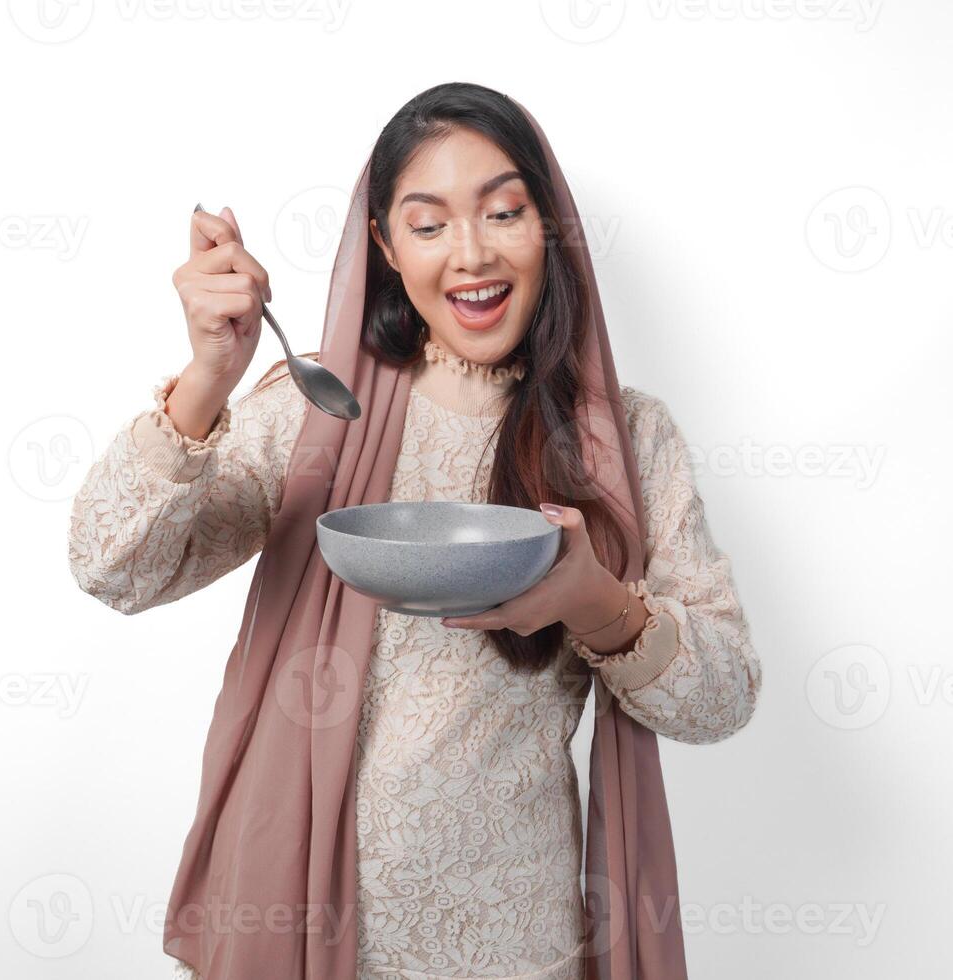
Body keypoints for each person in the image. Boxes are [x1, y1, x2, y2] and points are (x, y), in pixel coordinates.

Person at [68, 82, 761, 980]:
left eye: (505, 212)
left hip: (519, 946)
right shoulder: (320, 412)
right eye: (428, 225)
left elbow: (723, 699)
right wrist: (209, 376)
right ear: (387, 250)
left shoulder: (624, 443)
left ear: (549, 228)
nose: (471, 253)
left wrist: (598, 606)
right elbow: (112, 567)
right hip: (302, 935)